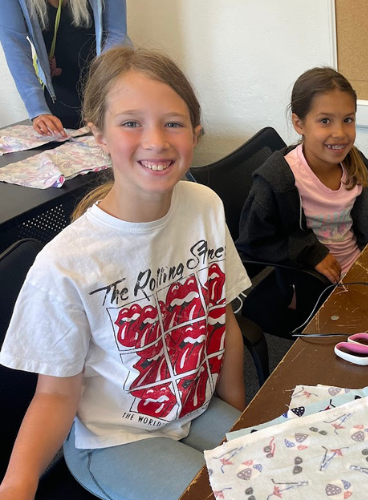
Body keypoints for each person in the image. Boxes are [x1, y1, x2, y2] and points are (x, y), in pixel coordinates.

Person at [0, 46, 250, 500]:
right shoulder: (66, 265)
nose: (156, 141)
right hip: (115, 441)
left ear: (195, 133)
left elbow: (222, 318)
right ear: (98, 134)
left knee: (286, 472)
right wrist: (17, 484)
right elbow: (55, 396)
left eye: (172, 123)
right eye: (131, 123)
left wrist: (238, 416)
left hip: (193, 410)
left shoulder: (204, 206)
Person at [237, 67, 368, 336]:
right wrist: (309, 251)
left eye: (348, 120)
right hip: (313, 285)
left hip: (361, 267)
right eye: (325, 121)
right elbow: (252, 242)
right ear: (299, 124)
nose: (340, 133)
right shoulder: (279, 179)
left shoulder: (353, 161)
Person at [0, 0, 128, 136]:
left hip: (105, 88)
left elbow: (116, 34)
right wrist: (38, 109)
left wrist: (103, 85)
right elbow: (15, 45)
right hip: (58, 95)